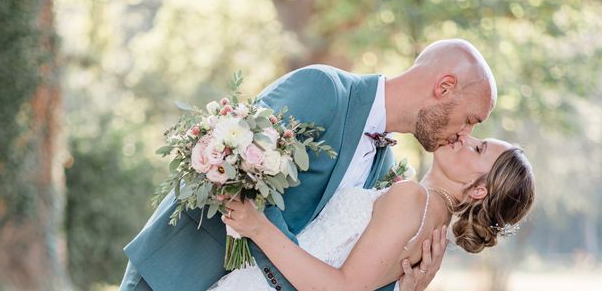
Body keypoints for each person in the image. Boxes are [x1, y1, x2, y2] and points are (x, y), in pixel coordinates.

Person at [120, 39, 497, 291]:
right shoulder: (323, 90)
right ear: (444, 87)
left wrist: (402, 286)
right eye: (470, 120)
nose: (465, 134)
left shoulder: (387, 171)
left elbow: (341, 267)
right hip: (174, 274)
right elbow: (234, 171)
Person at [217, 137, 535, 290]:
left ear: (479, 190)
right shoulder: (435, 227)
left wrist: (258, 228)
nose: (466, 137)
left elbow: (344, 289)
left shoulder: (413, 198)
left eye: (477, 149)